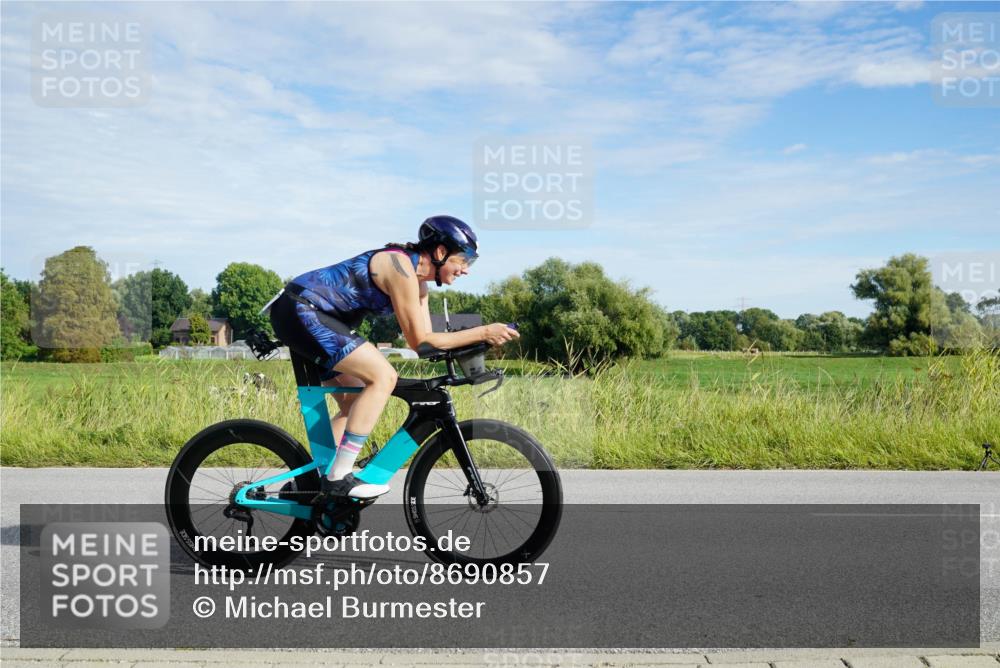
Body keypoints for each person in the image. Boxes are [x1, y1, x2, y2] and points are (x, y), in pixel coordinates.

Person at [267, 215, 519, 499]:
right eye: (463, 260)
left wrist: (476, 343)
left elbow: (425, 344)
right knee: (383, 376)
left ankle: (312, 485)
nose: (465, 270)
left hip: (313, 317)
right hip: (302, 310)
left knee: (353, 403)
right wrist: (483, 331)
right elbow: (420, 340)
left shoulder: (419, 286)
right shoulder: (400, 267)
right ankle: (338, 478)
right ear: (440, 252)